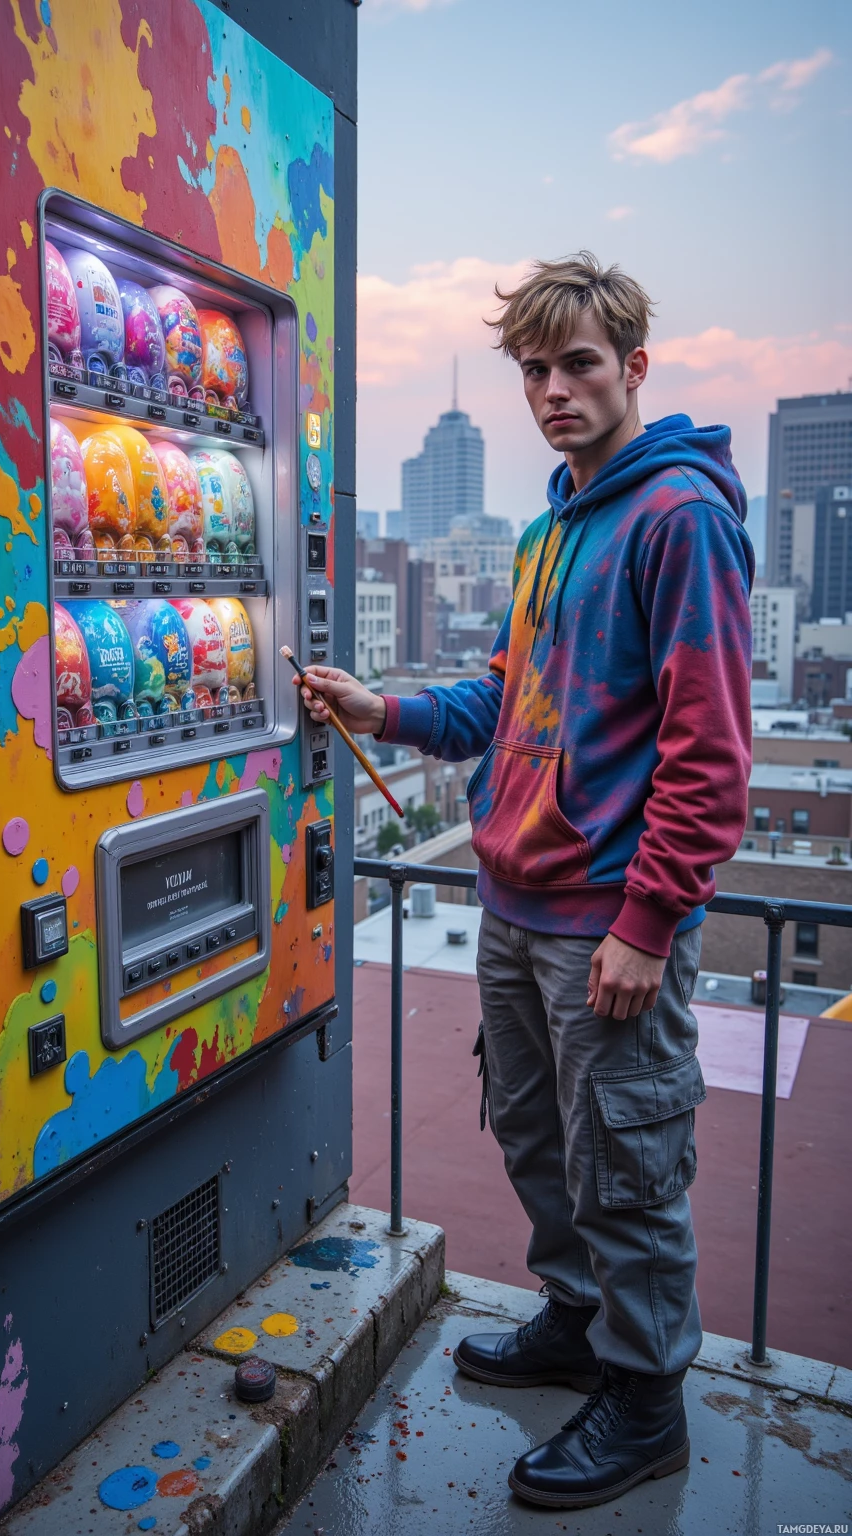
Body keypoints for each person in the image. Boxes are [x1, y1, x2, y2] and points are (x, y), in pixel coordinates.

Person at [296, 252, 754, 1510]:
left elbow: (708, 750)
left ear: (633, 370)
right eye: (536, 370)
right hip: (515, 904)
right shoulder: (553, 524)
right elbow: (509, 701)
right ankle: (576, 1321)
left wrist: (649, 922)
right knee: (538, 1137)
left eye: (579, 365)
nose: (554, 389)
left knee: (627, 1163)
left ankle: (647, 1399)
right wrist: (381, 707)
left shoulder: (678, 519)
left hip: (606, 920)